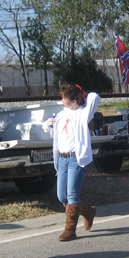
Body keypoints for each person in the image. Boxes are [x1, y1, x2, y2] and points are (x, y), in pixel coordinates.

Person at [44, 84, 100, 241]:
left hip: (76, 159)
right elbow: (52, 131)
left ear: (74, 100)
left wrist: (81, 96)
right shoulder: (61, 114)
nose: (62, 100)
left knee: (72, 195)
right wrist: (48, 124)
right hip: (62, 159)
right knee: (62, 196)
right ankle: (87, 211)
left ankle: (70, 230)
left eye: (64, 98)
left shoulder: (83, 113)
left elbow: (95, 97)